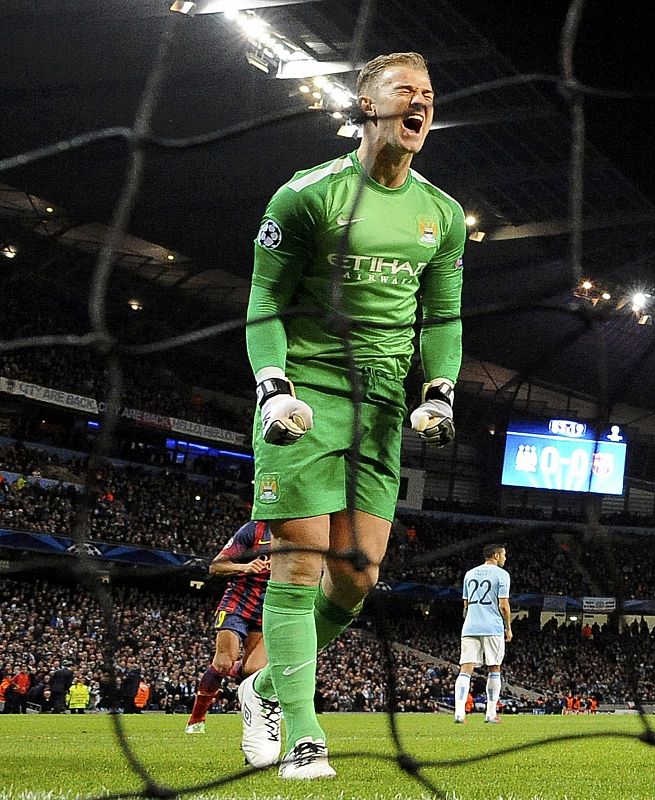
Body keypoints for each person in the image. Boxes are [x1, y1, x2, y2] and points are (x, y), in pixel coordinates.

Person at [241, 51, 465, 780]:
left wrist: (440, 389)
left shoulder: (442, 214)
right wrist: (273, 385)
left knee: (357, 579)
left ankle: (264, 689)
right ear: (367, 107)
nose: (420, 103)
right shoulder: (305, 196)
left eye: (428, 95)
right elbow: (264, 302)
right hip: (305, 394)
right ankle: (304, 737)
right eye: (406, 91)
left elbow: (443, 316)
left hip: (379, 405)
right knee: (300, 561)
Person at [185, 520, 272, 735]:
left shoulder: (301, 531)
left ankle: (239, 672)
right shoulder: (254, 529)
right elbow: (216, 566)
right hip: (238, 601)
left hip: (269, 606)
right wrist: (246, 567)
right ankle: (196, 721)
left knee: (253, 670)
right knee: (223, 662)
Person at [453, 545, 512, 725]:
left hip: (470, 626)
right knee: (494, 668)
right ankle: (490, 713)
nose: (505, 558)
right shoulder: (502, 575)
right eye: (503, 555)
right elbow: (504, 605)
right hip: (492, 627)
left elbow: (466, 604)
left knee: (465, 670)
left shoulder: (469, 574)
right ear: (496, 555)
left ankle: (459, 713)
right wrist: (508, 627)